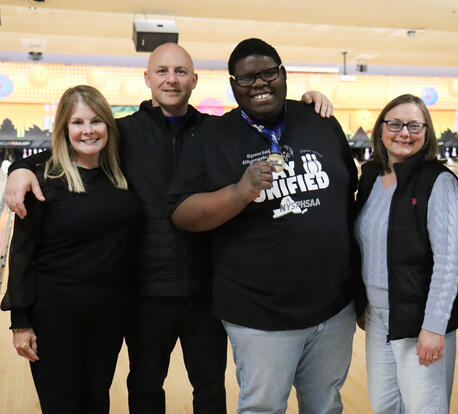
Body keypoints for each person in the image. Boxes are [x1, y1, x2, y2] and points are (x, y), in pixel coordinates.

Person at [3, 43, 334, 414]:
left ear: (194, 80)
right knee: (145, 386)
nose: (171, 79)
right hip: (145, 291)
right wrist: (20, 168)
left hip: (208, 287)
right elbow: (70, 147)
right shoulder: (123, 132)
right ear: (147, 78)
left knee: (210, 387)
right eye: (161, 71)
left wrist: (307, 104)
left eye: (180, 72)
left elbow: (272, 124)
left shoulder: (217, 131)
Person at [170, 38, 360, 414]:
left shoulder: (319, 120)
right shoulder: (211, 138)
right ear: (233, 85)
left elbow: (349, 193)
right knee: (263, 408)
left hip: (333, 310)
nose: (259, 84)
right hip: (258, 315)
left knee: (325, 406)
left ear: (283, 75)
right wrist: (239, 192)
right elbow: (182, 214)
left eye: (268, 73)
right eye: (246, 79)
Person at [0, 85, 141, 414]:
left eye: (96, 121)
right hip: (54, 316)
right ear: (64, 129)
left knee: (96, 403)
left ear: (109, 124)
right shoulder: (43, 179)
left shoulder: (121, 175)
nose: (88, 130)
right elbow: (21, 252)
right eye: (77, 122)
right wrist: (21, 322)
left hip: (108, 316)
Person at [354, 94, 458, 414]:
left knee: (424, 408)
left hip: (419, 318)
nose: (404, 132)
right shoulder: (373, 176)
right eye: (395, 124)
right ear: (381, 130)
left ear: (426, 132)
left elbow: (448, 263)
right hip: (377, 316)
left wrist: (433, 326)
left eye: (414, 125)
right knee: (385, 405)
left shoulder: (438, 181)